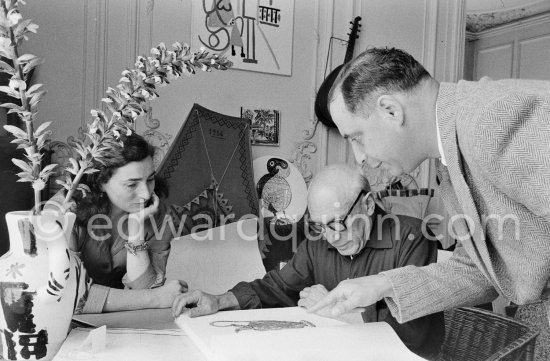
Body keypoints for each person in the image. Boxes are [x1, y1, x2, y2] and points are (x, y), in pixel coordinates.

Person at [308, 47, 550, 333]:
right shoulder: (449, 158)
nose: (359, 157)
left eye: (356, 137)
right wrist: (383, 284)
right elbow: (478, 269)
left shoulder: (490, 119)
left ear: (391, 111)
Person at [171, 163, 443, 357]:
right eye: (319, 226)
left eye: (337, 223)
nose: (331, 238)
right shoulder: (319, 241)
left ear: (368, 205)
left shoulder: (413, 238)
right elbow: (277, 287)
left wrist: (342, 312)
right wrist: (219, 300)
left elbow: (415, 333)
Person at [46, 131, 187, 313]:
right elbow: (71, 296)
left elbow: (144, 288)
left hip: (119, 322)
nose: (145, 194)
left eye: (150, 179)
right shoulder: (63, 211)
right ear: (100, 182)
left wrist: (135, 232)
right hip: (59, 323)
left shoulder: (156, 213)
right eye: (131, 184)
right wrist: (157, 298)